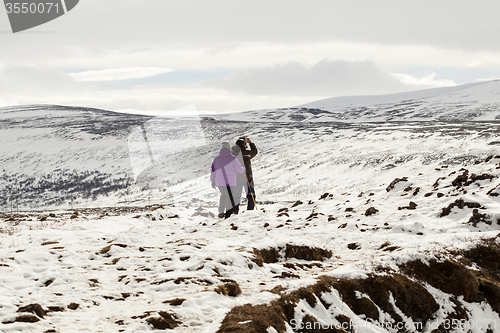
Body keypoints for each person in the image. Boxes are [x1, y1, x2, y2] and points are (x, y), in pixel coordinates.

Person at [210, 142, 245, 218]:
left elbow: (213, 171)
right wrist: (243, 169)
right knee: (230, 197)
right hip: (230, 182)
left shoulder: (216, 159)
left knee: (223, 196)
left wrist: (213, 181)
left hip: (219, 182)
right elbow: (238, 170)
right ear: (229, 148)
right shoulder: (233, 158)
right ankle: (228, 214)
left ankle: (221, 212)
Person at [231, 137, 258, 213]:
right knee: (251, 195)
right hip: (248, 177)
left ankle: (235, 211)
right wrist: (251, 143)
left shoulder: (233, 154)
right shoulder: (247, 154)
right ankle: (250, 211)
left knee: (236, 196)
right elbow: (255, 151)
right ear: (244, 145)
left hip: (236, 178)